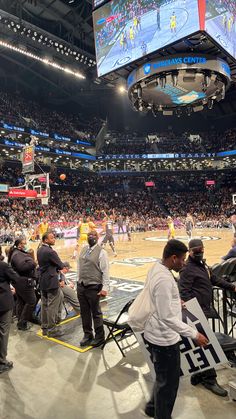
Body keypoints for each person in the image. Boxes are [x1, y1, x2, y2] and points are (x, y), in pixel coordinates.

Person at [144, 239, 208, 419]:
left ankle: (151, 408)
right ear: (173, 258)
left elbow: (158, 299)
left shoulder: (156, 267)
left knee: (162, 378)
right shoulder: (164, 279)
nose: (184, 262)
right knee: (169, 385)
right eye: (182, 259)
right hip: (163, 340)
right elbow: (167, 317)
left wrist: (174, 302)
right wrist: (194, 334)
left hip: (154, 333)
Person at [179, 239, 236, 397]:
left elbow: (214, 279)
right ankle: (210, 379)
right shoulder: (186, 269)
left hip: (205, 310)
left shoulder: (203, 265)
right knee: (206, 345)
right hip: (196, 314)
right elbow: (184, 293)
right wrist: (194, 314)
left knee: (202, 344)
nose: (200, 252)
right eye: (196, 250)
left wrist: (232, 286)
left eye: (202, 249)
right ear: (190, 252)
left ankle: (198, 374)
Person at [77, 230, 110, 347]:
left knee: (96, 312)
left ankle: (100, 336)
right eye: (89, 235)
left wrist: (105, 287)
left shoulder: (102, 252)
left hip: (94, 286)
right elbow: (79, 266)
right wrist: (78, 280)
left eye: (94, 235)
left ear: (98, 237)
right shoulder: (83, 249)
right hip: (81, 285)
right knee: (84, 312)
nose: (91, 237)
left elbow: (105, 271)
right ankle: (87, 334)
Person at [37, 231, 65, 337]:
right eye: (52, 238)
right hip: (51, 281)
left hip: (43, 280)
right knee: (52, 306)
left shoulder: (39, 249)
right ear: (46, 240)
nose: (54, 239)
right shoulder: (50, 252)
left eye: (54, 237)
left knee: (44, 305)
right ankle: (52, 330)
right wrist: (59, 266)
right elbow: (60, 265)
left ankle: (44, 328)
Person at [8, 237, 37, 331]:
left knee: (21, 301)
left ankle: (20, 321)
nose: (26, 244)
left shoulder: (18, 253)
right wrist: (33, 263)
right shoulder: (17, 254)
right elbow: (22, 267)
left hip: (20, 282)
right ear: (20, 245)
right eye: (24, 243)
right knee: (32, 301)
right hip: (23, 282)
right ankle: (22, 322)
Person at [0, 246, 19, 373]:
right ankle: (2, 362)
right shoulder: (3, 266)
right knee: (3, 332)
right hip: (3, 303)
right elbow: (16, 278)